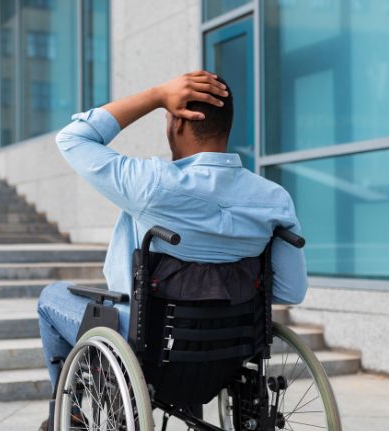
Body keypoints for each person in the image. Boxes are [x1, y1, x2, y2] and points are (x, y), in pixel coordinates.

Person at [37, 70, 308, 413]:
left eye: (168, 116)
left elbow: (73, 138)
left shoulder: (152, 185)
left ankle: (71, 415)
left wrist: (156, 94)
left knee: (51, 298)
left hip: (148, 346)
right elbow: (290, 291)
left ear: (178, 123)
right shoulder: (275, 199)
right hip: (229, 350)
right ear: (227, 126)